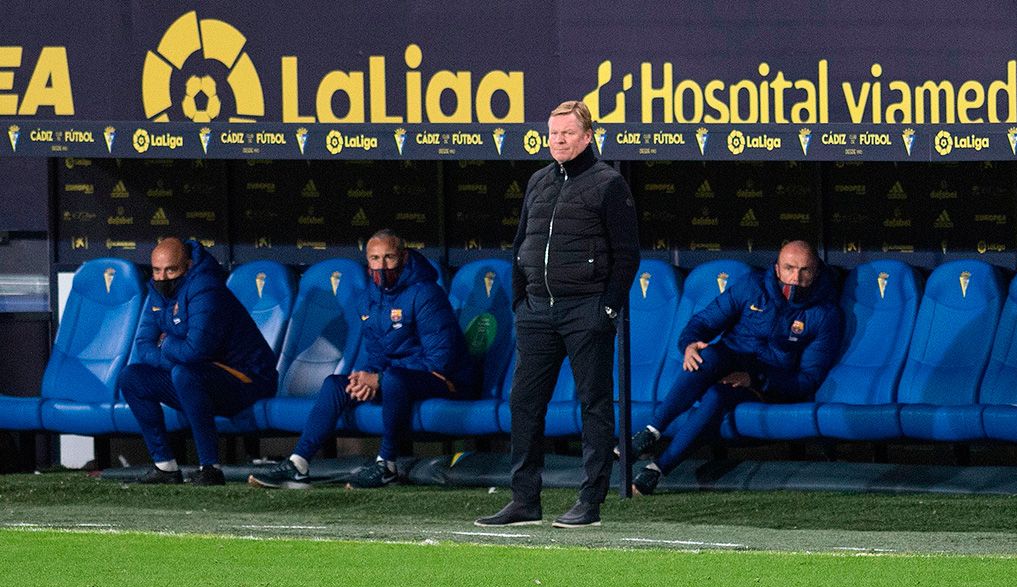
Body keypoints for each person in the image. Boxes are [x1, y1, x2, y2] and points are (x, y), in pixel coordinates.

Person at [476, 100, 639, 528]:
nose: (559, 141)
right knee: (524, 403)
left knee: (594, 406)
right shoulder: (538, 181)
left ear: (588, 136)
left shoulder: (609, 183)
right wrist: (519, 301)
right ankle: (525, 500)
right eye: (553, 134)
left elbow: (627, 255)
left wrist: (607, 309)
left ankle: (590, 502)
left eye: (567, 133)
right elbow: (519, 245)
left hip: (587, 311)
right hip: (535, 312)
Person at [249, 229, 476, 490]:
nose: (381, 265)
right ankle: (298, 463)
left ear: (403, 257)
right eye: (375, 259)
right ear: (367, 262)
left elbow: (440, 361)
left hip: (445, 381)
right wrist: (365, 378)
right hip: (398, 380)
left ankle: (386, 465)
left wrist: (378, 378)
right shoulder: (368, 298)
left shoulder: (426, 293)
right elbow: (378, 354)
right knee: (337, 383)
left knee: (392, 379)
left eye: (388, 257)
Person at [627, 240, 844, 495]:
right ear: (776, 269)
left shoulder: (825, 314)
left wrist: (755, 379)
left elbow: (807, 379)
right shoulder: (752, 286)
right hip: (727, 361)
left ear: (816, 272)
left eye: (805, 270)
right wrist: (689, 345)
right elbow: (703, 323)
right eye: (789, 268)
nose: (795, 278)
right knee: (706, 355)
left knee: (718, 395)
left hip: (766, 384)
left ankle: (657, 470)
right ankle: (651, 431)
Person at [120, 238, 278, 486]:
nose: (162, 277)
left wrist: (167, 343)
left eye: (171, 270)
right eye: (157, 270)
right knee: (132, 377)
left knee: (186, 374)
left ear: (188, 265)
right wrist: (172, 354)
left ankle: (210, 468)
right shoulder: (156, 290)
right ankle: (165, 467)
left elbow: (196, 351)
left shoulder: (206, 287)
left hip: (247, 380)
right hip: (198, 379)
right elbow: (143, 346)